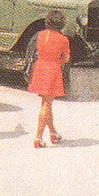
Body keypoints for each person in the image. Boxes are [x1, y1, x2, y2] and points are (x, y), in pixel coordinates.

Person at [28, 10, 71, 148]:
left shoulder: (41, 35)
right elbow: (66, 58)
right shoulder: (63, 39)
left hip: (40, 67)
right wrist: (57, 61)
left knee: (46, 102)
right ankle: (38, 137)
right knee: (46, 104)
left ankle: (53, 133)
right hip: (52, 70)